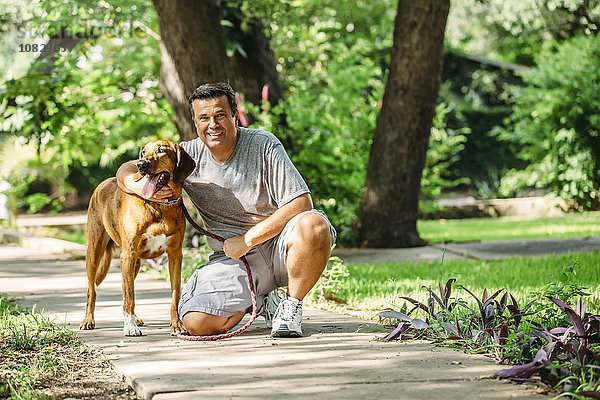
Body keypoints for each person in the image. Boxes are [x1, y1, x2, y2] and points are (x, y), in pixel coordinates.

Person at [116, 82, 336, 337]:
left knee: (314, 225)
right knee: (196, 324)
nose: (213, 124)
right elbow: (126, 170)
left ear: (234, 115)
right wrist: (136, 185)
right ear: (195, 122)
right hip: (233, 260)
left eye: (220, 115)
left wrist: (247, 239)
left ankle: (291, 307)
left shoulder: (264, 144)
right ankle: (262, 300)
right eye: (204, 118)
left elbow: (301, 203)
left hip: (279, 248)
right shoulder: (183, 158)